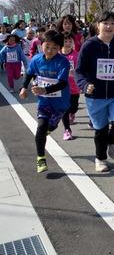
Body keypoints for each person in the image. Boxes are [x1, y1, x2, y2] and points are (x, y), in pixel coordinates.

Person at [75, 11, 114, 173]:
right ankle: (100, 159)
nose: (109, 26)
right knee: (100, 130)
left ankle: (112, 141)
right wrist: (85, 85)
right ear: (97, 25)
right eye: (105, 23)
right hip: (95, 96)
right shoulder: (89, 45)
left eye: (113, 23)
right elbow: (79, 71)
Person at [19, 30, 70, 173]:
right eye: (47, 46)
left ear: (59, 48)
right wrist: (24, 87)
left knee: (51, 127)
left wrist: (45, 90)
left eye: (54, 48)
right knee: (41, 127)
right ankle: (40, 158)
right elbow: (29, 74)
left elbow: (62, 83)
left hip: (60, 103)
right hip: (44, 102)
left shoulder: (63, 62)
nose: (50, 50)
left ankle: (49, 129)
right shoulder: (36, 59)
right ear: (41, 45)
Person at [60, 32, 81, 140]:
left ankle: (72, 113)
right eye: (65, 41)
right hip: (62, 87)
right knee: (65, 108)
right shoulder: (57, 55)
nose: (67, 43)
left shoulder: (76, 55)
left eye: (70, 41)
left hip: (74, 86)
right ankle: (67, 130)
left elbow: (81, 69)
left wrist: (76, 73)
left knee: (74, 106)